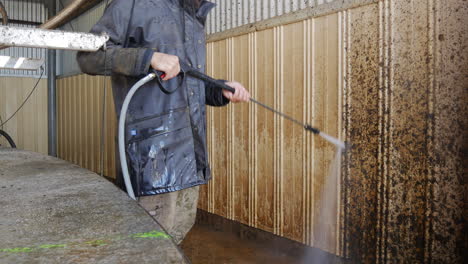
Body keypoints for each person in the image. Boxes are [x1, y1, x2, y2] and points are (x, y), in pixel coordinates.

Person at [76, 0, 250, 244]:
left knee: (176, 234)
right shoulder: (132, 3)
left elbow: (184, 80)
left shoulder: (193, 15)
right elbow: (88, 57)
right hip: (151, 159)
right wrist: (148, 57)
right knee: (146, 243)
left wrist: (219, 89)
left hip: (190, 156)